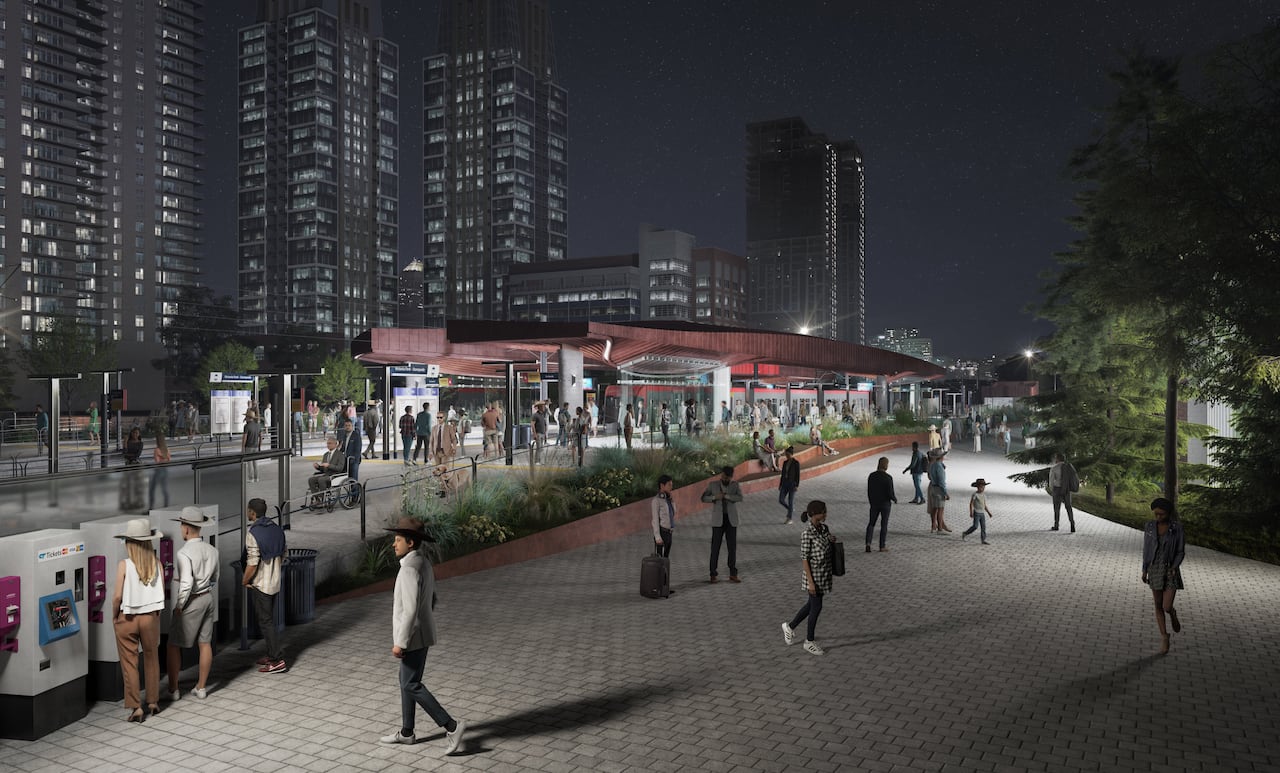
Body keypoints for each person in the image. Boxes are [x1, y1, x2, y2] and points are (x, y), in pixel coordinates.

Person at [378, 517, 467, 753]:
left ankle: (452, 726)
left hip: (412, 637)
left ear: (410, 542)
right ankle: (407, 733)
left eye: (397, 540)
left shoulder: (408, 569)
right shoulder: (423, 563)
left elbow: (409, 610)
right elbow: (431, 599)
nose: (393, 544)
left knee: (411, 683)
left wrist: (401, 642)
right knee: (406, 682)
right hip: (423, 633)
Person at [111, 518, 165, 722]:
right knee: (152, 658)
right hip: (151, 618)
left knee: (130, 663)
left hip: (128, 618)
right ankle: (153, 701)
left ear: (129, 542)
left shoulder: (124, 565)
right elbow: (161, 593)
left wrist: (114, 616)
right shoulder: (157, 564)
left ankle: (136, 707)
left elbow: (117, 596)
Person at [166, 508, 219, 702]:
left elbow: (187, 583)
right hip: (208, 598)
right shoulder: (212, 550)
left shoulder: (184, 553)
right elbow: (215, 577)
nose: (181, 528)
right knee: (205, 643)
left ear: (187, 529)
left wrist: (180, 605)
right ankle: (201, 687)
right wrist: (204, 585)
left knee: (173, 645)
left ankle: (173, 690)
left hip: (192, 600)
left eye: (181, 525)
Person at [781, 500, 837, 656]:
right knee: (816, 607)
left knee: (811, 605)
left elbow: (825, 543)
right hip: (813, 577)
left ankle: (790, 627)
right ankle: (809, 641)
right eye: (823, 512)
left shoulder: (824, 529)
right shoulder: (807, 534)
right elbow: (804, 558)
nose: (826, 514)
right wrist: (810, 583)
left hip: (824, 575)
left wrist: (830, 540)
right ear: (815, 514)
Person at [242, 497, 287, 673]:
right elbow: (284, 553)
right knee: (268, 620)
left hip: (261, 584)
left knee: (266, 622)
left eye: (248, 510)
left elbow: (252, 562)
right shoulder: (276, 529)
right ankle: (271, 654)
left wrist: (245, 580)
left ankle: (276, 660)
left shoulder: (253, 533)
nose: (247, 512)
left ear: (252, 512)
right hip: (275, 582)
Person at [1142, 497, 1185, 655]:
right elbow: (1146, 549)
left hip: (1170, 570)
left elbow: (1180, 551)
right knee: (1158, 605)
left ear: (1168, 513)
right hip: (1154, 569)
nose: (1158, 517)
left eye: (1161, 514)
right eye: (1156, 514)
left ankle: (1172, 613)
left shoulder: (1177, 529)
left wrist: (1174, 566)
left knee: (1166, 606)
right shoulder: (1150, 527)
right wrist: (1144, 569)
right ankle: (1164, 637)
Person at [700, 466, 743, 583]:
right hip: (718, 521)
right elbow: (703, 498)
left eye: (727, 477)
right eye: (723, 476)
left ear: (731, 477)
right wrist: (715, 497)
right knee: (715, 547)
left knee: (732, 548)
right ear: (721, 475)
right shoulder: (713, 485)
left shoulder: (735, 485)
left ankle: (733, 574)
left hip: (731, 520)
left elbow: (740, 497)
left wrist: (727, 496)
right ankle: (713, 574)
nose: (725, 479)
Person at [866, 456, 896, 552]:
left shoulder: (871, 476)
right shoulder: (888, 478)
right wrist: (894, 499)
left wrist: (871, 501)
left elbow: (869, 490)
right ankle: (882, 546)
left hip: (874, 503)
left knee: (871, 523)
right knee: (884, 525)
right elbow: (890, 493)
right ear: (886, 465)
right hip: (885, 504)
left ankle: (868, 543)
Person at [309, 436, 348, 506]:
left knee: (321, 479)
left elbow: (340, 468)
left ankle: (321, 499)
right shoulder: (326, 455)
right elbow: (324, 469)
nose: (328, 445)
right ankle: (317, 499)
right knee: (311, 480)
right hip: (327, 475)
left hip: (336, 475)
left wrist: (329, 465)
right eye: (327, 443)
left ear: (335, 444)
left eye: (330, 443)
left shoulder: (340, 455)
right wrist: (318, 467)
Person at [1048, 452, 1080, 532]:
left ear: (1058, 459)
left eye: (1056, 458)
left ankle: (1056, 525)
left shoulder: (1054, 468)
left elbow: (1051, 482)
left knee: (1057, 508)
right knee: (1068, 507)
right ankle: (1072, 524)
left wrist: (1052, 490)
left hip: (1057, 489)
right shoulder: (1068, 467)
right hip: (1066, 489)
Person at [651, 474, 676, 561]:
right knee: (659, 561)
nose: (671, 487)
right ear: (662, 485)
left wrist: (671, 500)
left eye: (671, 485)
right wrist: (657, 537)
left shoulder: (668, 499)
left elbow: (673, 513)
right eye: (669, 485)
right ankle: (659, 575)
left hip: (669, 533)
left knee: (666, 559)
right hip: (662, 532)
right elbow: (655, 520)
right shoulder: (656, 501)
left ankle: (665, 575)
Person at [926, 448, 951, 533]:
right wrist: (946, 493)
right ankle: (940, 528)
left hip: (933, 487)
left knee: (934, 508)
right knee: (940, 510)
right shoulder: (939, 466)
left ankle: (933, 526)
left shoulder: (932, 465)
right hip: (938, 490)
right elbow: (941, 481)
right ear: (941, 457)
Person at [962, 478, 994, 544]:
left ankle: (983, 540)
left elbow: (984, 505)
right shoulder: (975, 494)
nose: (982, 488)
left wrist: (989, 512)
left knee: (983, 527)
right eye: (981, 487)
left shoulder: (984, 495)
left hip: (982, 513)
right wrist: (971, 512)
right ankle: (965, 533)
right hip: (976, 512)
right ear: (977, 487)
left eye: (983, 487)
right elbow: (971, 503)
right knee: (975, 526)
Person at [779, 446, 800, 525]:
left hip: (792, 484)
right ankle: (790, 509)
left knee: (790, 501)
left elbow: (798, 475)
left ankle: (789, 518)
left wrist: (797, 485)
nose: (786, 456)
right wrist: (780, 484)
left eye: (787, 454)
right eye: (785, 454)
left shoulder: (796, 463)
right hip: (784, 483)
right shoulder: (785, 463)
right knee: (781, 500)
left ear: (791, 454)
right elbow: (782, 474)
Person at [149, 432, 171, 510]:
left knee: (152, 489)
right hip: (165, 470)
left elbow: (157, 462)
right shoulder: (167, 449)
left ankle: (151, 507)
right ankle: (166, 506)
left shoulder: (157, 450)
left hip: (158, 471)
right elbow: (169, 460)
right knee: (165, 489)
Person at [241, 409, 263, 483]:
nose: (245, 418)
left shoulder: (246, 426)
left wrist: (243, 447)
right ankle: (257, 477)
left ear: (248, 417)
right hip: (256, 446)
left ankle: (251, 478)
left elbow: (245, 438)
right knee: (255, 462)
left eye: (246, 417)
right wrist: (260, 446)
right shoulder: (258, 426)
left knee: (249, 463)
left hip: (248, 447)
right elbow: (261, 437)